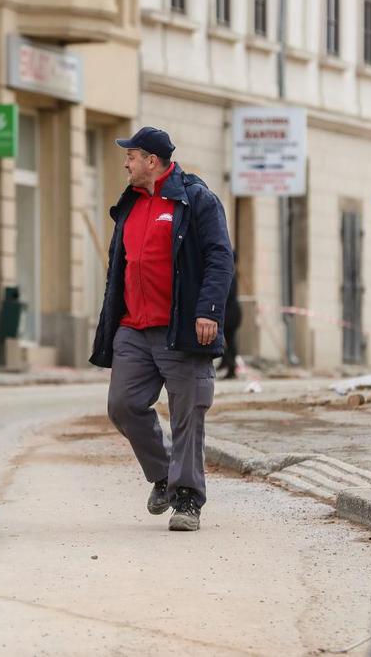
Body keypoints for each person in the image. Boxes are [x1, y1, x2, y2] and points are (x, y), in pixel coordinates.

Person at [90, 126, 234, 532]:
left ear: (152, 161)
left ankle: (187, 500)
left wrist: (208, 311)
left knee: (187, 413)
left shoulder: (196, 199)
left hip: (182, 328)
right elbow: (119, 266)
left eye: (131, 156)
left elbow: (220, 258)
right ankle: (164, 476)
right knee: (123, 405)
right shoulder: (130, 204)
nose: (126, 163)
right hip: (133, 327)